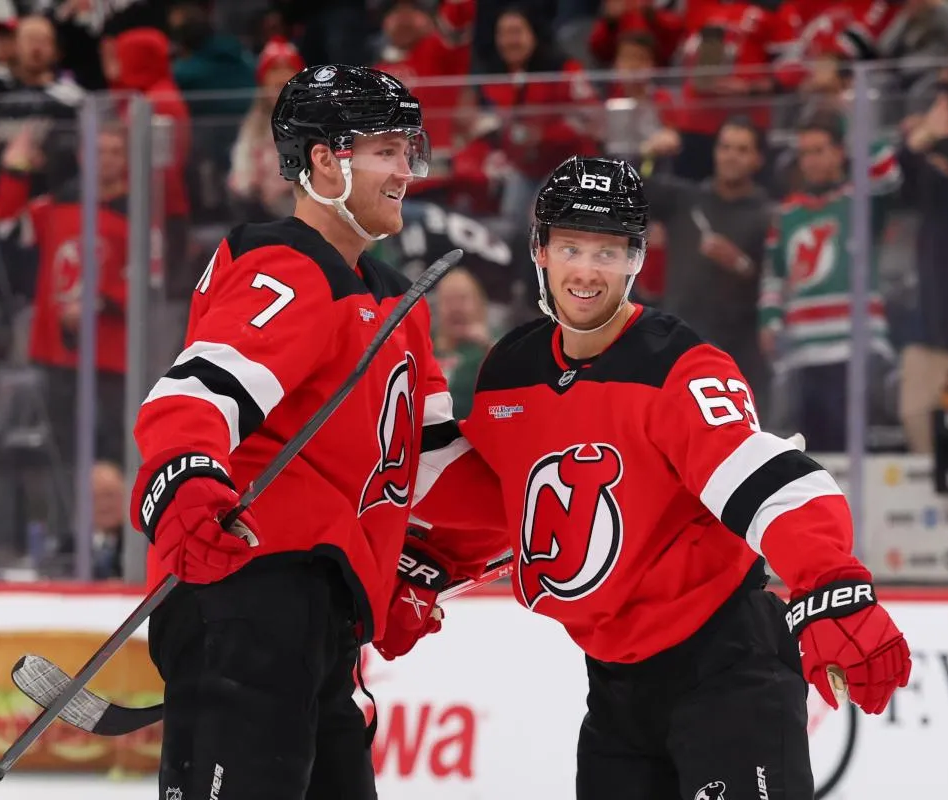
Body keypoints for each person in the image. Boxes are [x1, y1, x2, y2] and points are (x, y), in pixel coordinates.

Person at [382, 156, 913, 799]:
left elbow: (762, 478)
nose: (585, 271)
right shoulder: (510, 371)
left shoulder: (679, 364)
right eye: (571, 247)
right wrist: (429, 565)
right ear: (540, 250)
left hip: (726, 671)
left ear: (637, 259)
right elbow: (513, 498)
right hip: (614, 691)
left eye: (607, 252)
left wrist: (831, 582)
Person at [129, 65, 504, 800]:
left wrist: (465, 543)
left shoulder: (395, 300)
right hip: (245, 589)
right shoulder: (288, 266)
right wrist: (184, 485)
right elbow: (194, 394)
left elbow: (427, 464)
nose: (406, 170)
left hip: (321, 610)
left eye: (409, 151)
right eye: (387, 151)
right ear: (327, 161)